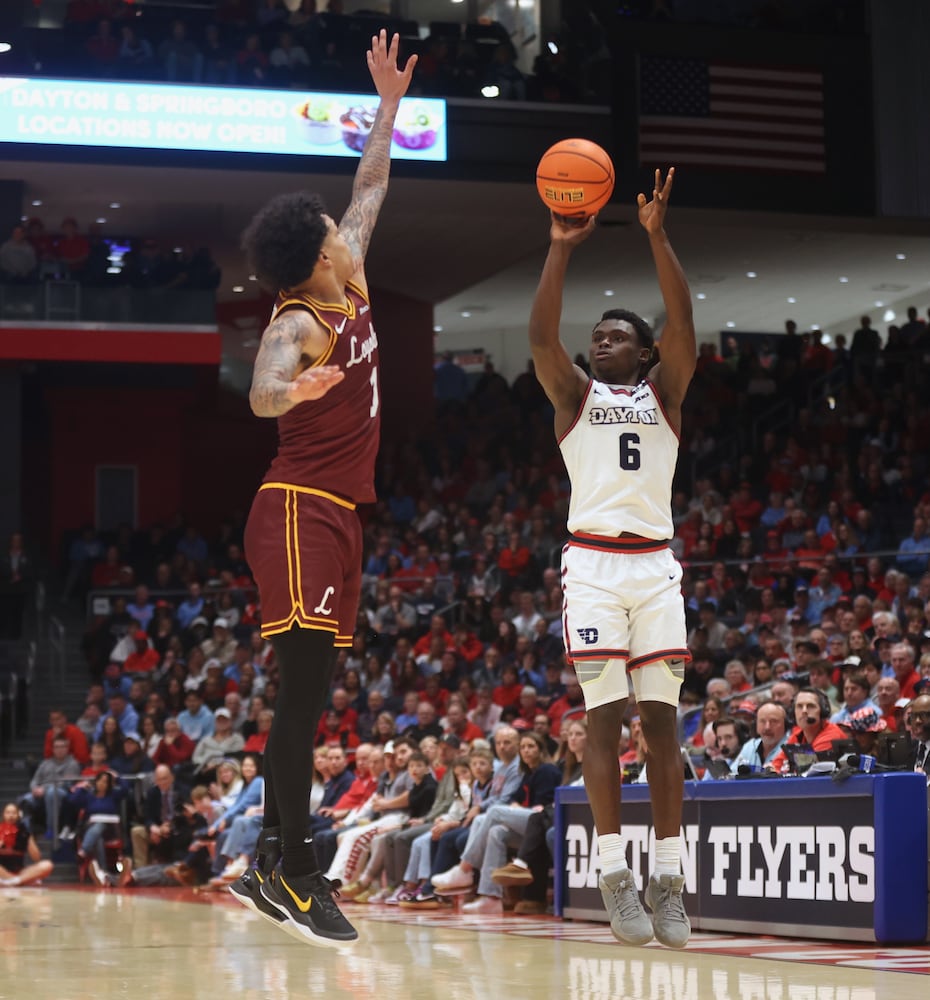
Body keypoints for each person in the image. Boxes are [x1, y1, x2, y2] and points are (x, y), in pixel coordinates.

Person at [230, 29, 417, 947]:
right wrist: (291, 389)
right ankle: (294, 868)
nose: (349, 233)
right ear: (315, 258)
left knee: (311, 697)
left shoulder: (354, 284)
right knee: (301, 699)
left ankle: (273, 858)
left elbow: (372, 185)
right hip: (297, 510)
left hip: (339, 515)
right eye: (336, 235)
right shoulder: (300, 317)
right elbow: (261, 389)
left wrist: (385, 108)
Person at [526, 168, 694, 948]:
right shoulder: (573, 396)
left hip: (656, 568)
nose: (600, 342)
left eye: (616, 336)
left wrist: (658, 235)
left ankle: (669, 878)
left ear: (646, 352)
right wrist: (560, 248)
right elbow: (539, 337)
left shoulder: (665, 394)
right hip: (592, 568)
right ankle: (615, 875)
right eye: (596, 336)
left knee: (661, 726)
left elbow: (686, 320)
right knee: (605, 720)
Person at [0, 803, 54, 887]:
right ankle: (15, 881)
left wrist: (28, 837)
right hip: (1, 873)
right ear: (3, 815)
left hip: (19, 873)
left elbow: (37, 858)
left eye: (14, 813)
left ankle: (14, 881)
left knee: (47, 865)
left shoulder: (23, 832)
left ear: (18, 815)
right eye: (8, 812)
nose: (11, 815)